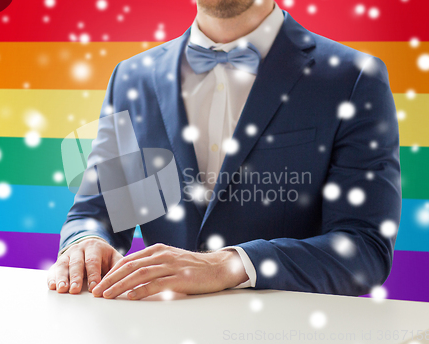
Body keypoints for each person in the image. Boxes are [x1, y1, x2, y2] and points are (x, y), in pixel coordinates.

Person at [47, 0, 401, 300]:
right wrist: (88, 241)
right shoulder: (132, 77)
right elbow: (101, 212)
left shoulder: (354, 79)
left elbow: (364, 249)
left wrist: (230, 265)